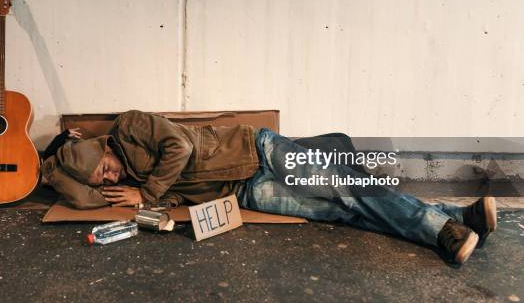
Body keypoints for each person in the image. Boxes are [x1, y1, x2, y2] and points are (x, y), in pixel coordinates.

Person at [40, 110, 497, 264]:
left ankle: (439, 231)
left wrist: (150, 193)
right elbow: (76, 196)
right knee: (340, 210)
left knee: (348, 191)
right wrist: (54, 168)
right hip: (243, 192)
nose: (110, 181)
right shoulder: (129, 182)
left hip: (257, 151)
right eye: (104, 183)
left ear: (104, 148)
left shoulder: (132, 124)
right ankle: (455, 216)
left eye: (104, 170)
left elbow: (178, 146)